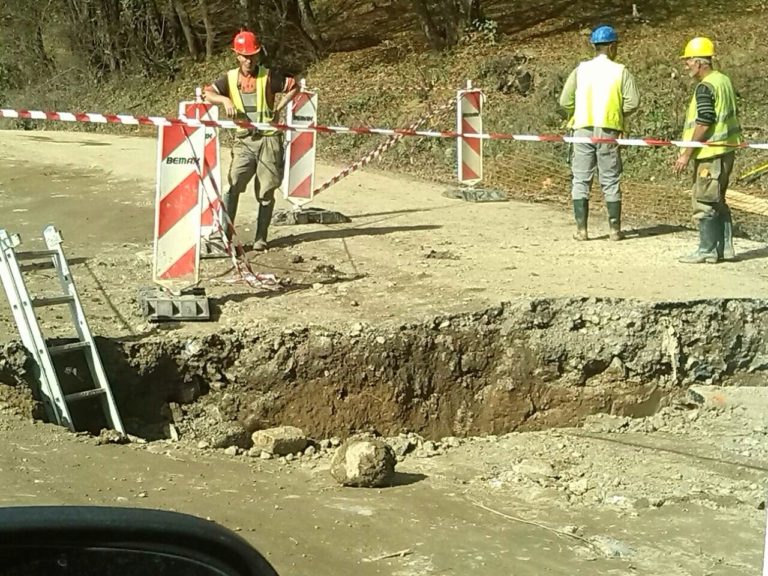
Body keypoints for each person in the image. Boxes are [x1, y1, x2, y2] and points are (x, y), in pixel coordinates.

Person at [204, 31, 298, 251]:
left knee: (266, 192)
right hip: (244, 141)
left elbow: (294, 86)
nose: (249, 60)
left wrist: (279, 107)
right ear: (236, 55)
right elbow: (207, 94)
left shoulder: (268, 76)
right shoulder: (229, 79)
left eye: (253, 55)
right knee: (233, 185)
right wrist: (224, 99)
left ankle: (260, 238)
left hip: (269, 141)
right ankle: (226, 237)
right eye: (244, 56)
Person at [559, 25, 640, 241]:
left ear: (594, 46)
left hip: (582, 130)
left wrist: (576, 112)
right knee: (610, 179)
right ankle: (614, 230)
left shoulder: (580, 70)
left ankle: (581, 230)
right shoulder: (621, 71)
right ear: (612, 46)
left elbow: (564, 100)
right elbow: (633, 102)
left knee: (581, 179)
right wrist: (618, 114)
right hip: (608, 131)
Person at [673, 37, 741, 263]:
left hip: (710, 155)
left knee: (704, 202)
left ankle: (707, 250)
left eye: (689, 61)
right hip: (725, 151)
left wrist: (686, 153)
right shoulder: (723, 80)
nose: (686, 65)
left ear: (700, 62)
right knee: (717, 199)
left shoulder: (705, 87)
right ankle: (725, 249)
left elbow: (704, 121)